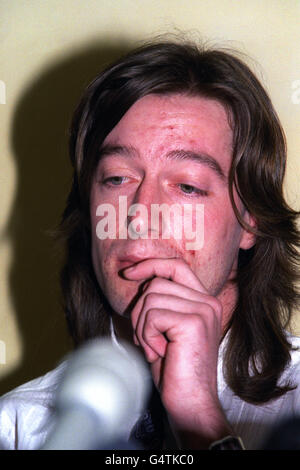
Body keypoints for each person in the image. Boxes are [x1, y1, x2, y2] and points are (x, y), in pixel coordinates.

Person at [0, 38, 299, 450]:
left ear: (251, 220)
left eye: (188, 186)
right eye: (117, 178)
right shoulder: (17, 428)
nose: (139, 214)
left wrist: (200, 421)